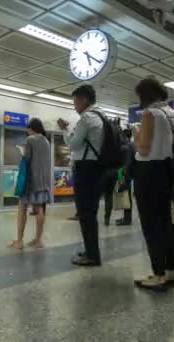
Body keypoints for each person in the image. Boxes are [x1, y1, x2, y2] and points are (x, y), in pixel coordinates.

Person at [132, 78, 174, 292]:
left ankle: (158, 275)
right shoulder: (171, 114)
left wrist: (135, 134)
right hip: (166, 170)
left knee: (151, 225)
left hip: (149, 172)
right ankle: (171, 273)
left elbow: (143, 149)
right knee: (166, 224)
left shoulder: (149, 114)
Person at [58, 85, 104, 267]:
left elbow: (73, 144)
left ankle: (92, 256)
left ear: (84, 99)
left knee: (85, 213)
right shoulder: (101, 116)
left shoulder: (86, 118)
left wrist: (64, 129)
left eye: (75, 100)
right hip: (96, 167)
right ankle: (91, 250)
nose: (74, 104)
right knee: (90, 213)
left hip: (85, 168)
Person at [8, 118, 53, 249]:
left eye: (28, 129)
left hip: (31, 181)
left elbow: (27, 158)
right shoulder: (46, 141)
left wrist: (22, 152)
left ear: (31, 128)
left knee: (22, 208)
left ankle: (19, 241)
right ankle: (38, 240)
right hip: (43, 181)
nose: (27, 132)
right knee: (39, 209)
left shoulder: (30, 139)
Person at [116, 128, 135, 226]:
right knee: (125, 195)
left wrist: (123, 175)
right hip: (127, 172)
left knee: (125, 195)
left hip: (125, 173)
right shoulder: (131, 145)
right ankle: (126, 217)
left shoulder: (127, 146)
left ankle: (127, 219)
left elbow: (126, 162)